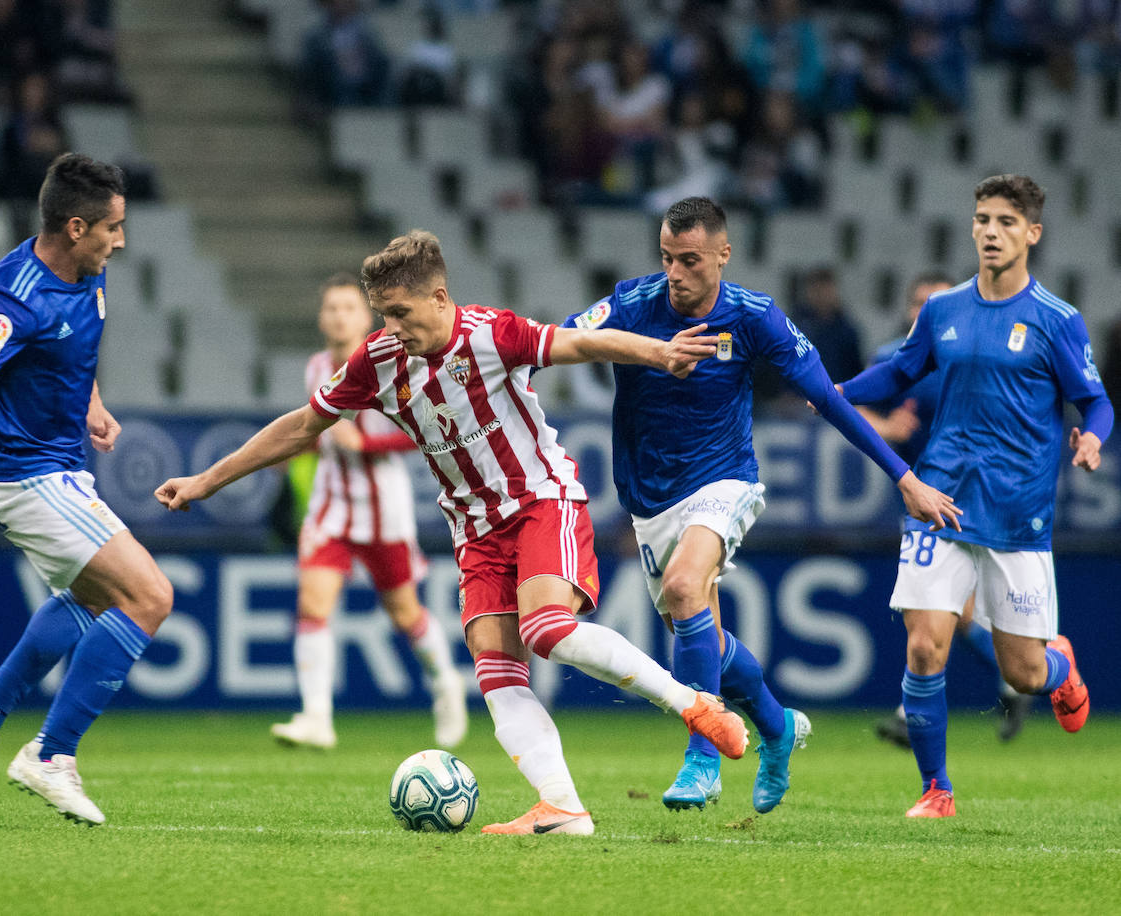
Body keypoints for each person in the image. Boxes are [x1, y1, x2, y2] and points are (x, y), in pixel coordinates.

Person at [156, 229, 751, 836]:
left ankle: (695, 704)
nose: (390, 328)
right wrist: (209, 479)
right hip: (474, 531)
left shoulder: (492, 334)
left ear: (440, 298)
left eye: (401, 313)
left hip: (541, 502)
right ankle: (564, 808)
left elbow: (582, 342)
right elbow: (302, 426)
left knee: (545, 630)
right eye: (384, 315)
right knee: (496, 673)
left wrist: (660, 353)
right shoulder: (377, 360)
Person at [564, 196, 961, 814]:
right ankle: (776, 730)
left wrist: (902, 476)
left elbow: (828, 400)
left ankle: (702, 758)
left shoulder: (755, 318)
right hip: (648, 497)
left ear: (724, 254)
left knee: (685, 584)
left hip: (725, 480)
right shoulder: (632, 302)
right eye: (668, 258)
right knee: (706, 638)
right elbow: (561, 341)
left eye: (691, 260)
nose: (676, 273)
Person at [0, 153, 174, 827]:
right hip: (23, 476)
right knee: (148, 596)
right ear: (77, 226)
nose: (121, 241)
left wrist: (91, 401)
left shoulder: (86, 271)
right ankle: (51, 756)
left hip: (59, 465)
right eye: (113, 228)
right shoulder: (17, 295)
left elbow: (67, 349)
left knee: (88, 599)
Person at [839, 174, 1112, 818]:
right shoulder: (943, 310)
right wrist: (837, 389)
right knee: (925, 643)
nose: (991, 231)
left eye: (1006, 222)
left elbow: (1095, 401)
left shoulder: (1056, 320)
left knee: (1021, 672)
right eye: (983, 219)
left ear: (1032, 234)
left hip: (1018, 512)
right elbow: (901, 372)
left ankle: (1058, 668)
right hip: (941, 498)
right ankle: (937, 791)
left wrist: (1093, 440)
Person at [271, 273, 467, 751]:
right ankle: (317, 716)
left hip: (384, 507)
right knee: (313, 604)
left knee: (404, 612)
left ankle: (447, 684)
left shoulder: (394, 363)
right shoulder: (316, 366)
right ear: (322, 319)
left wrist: (366, 443)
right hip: (331, 504)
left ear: (366, 317)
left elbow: (426, 429)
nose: (339, 316)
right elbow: (318, 430)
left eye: (348, 308)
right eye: (331, 308)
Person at [860, 271, 1035, 748]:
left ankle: (913, 711)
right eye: (918, 303)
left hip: (981, 498)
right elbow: (852, 408)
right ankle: (1016, 675)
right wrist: (885, 427)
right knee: (948, 610)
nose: (924, 312)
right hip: (923, 497)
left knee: (940, 608)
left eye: (933, 303)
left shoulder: (982, 355)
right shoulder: (893, 358)